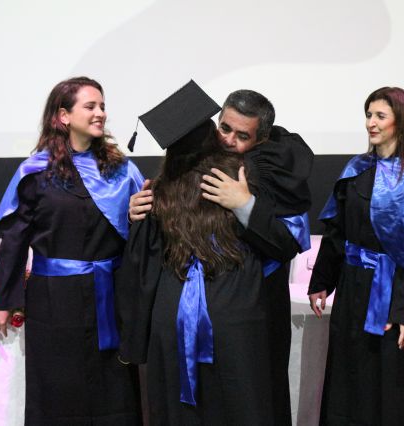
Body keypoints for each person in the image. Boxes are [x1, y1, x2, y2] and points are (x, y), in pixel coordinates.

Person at [117, 81, 301, 425]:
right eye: (224, 129)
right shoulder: (163, 190)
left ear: (261, 139)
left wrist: (244, 203)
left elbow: (140, 271)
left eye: (242, 135)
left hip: (187, 313)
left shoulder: (167, 188)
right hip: (226, 311)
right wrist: (134, 217)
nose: (229, 140)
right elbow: (284, 245)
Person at [0, 76, 144, 425]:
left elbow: (140, 234)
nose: (100, 113)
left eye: (102, 106)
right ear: (63, 116)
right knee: (58, 388)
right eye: (90, 106)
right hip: (53, 300)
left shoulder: (121, 171)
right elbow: (15, 240)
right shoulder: (36, 173)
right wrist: (2, 301)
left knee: (113, 388)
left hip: (110, 296)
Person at [308, 87, 404, 425]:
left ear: (400, 123)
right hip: (351, 288)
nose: (370, 123)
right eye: (368, 115)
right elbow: (337, 231)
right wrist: (322, 281)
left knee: (387, 379)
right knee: (347, 374)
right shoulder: (356, 169)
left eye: (380, 116)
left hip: (390, 294)